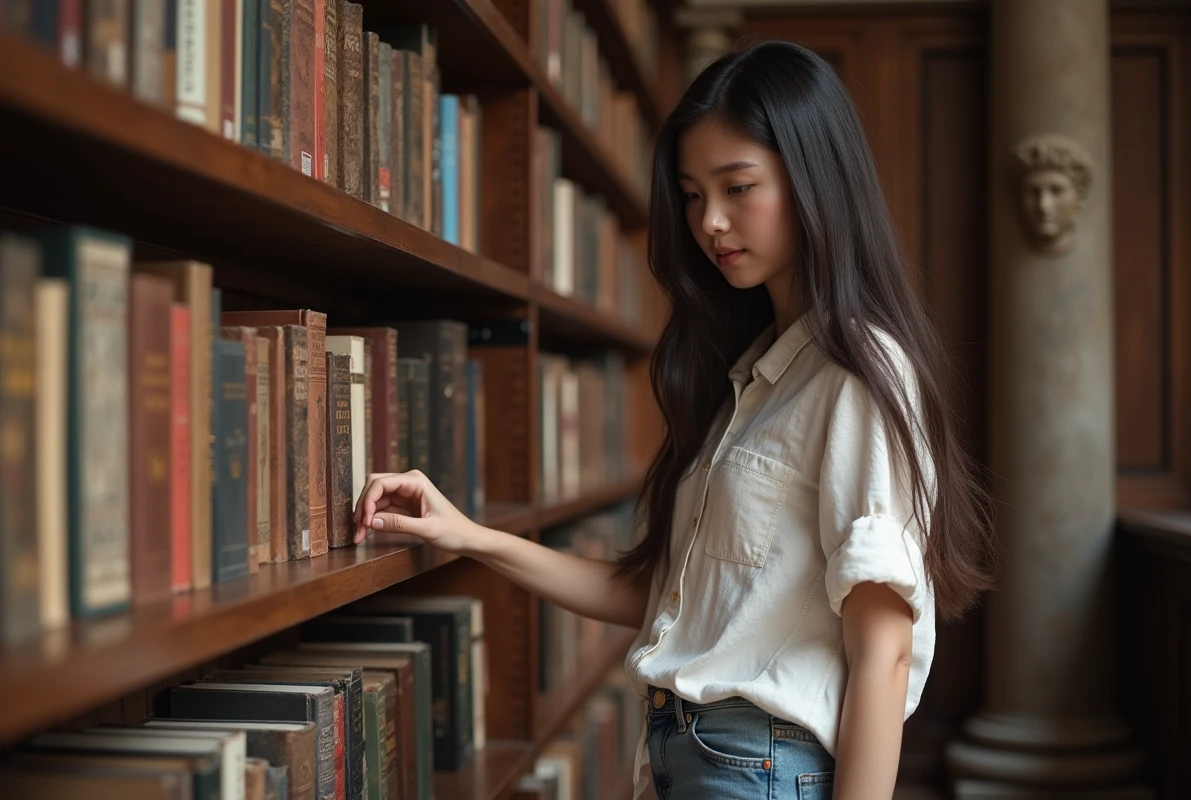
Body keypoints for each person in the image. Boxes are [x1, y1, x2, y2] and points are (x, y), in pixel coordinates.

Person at [354, 40, 996, 800]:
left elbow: (883, 651)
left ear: (816, 180)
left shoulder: (856, 376)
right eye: (691, 194)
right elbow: (651, 596)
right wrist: (466, 533)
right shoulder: (753, 377)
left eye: (738, 187)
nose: (710, 223)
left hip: (754, 765)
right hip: (688, 758)